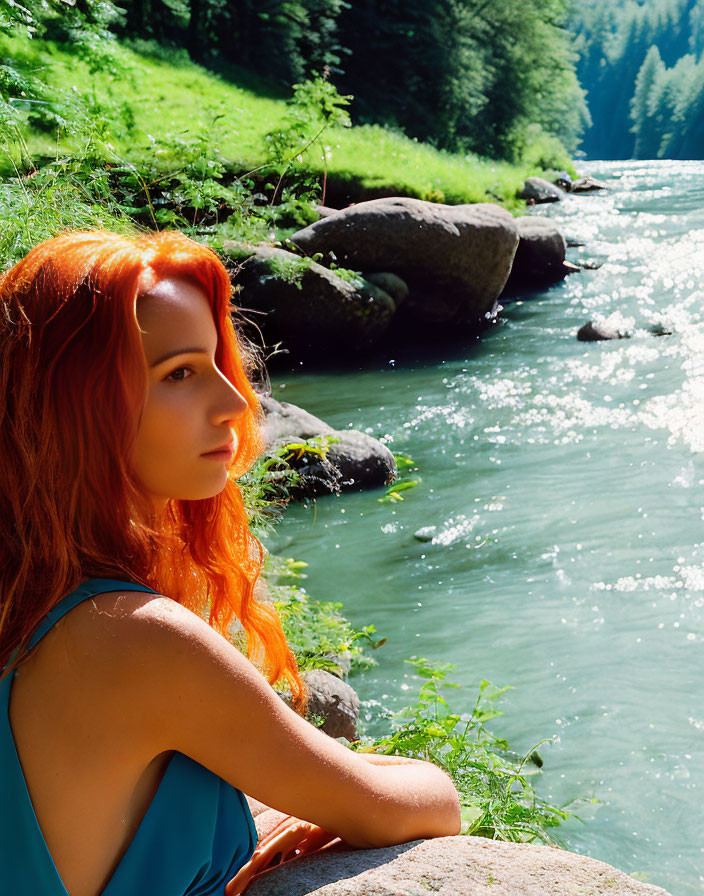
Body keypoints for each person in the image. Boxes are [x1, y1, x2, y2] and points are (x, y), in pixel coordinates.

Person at [0, 230, 462, 896]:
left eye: (218, 362)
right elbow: (426, 804)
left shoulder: (31, 604)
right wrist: (324, 791)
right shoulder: (135, 641)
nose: (237, 403)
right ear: (76, 404)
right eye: (179, 373)